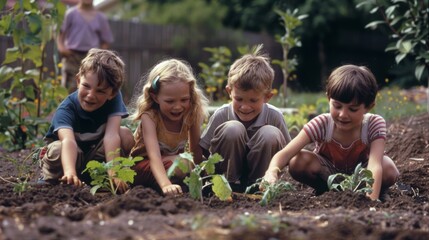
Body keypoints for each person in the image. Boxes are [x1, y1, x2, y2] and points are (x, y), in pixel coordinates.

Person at [263, 64, 400, 201]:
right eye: (337, 106)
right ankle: (325, 191)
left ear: (368, 107)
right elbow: (286, 153)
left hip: (361, 176)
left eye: (352, 109)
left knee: (388, 168)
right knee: (298, 161)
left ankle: (375, 192)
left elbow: (374, 165)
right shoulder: (322, 124)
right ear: (329, 98)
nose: (343, 115)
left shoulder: (373, 124)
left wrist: (370, 201)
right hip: (328, 175)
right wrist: (272, 171)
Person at [38, 48, 135, 193]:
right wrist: (70, 171)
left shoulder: (114, 99)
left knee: (125, 135)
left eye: (100, 91)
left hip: (93, 156)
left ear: (112, 93)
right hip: (69, 156)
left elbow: (111, 135)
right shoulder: (67, 108)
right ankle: (60, 180)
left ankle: (103, 180)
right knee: (57, 149)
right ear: (78, 81)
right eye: (86, 86)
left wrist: (114, 171)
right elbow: (68, 142)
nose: (91, 95)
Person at [200, 44, 292, 192]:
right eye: (239, 99)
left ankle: (259, 187)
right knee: (233, 129)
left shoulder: (274, 116)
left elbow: (289, 153)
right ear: (229, 92)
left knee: (270, 134)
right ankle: (230, 184)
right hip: (223, 182)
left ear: (267, 97)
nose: (245, 106)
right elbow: (203, 149)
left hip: (261, 178)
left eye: (253, 100)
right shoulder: (222, 114)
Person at [129, 59, 209, 196]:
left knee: (192, 163)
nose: (177, 107)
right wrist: (166, 184)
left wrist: (202, 178)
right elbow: (154, 156)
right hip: (142, 168)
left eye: (184, 100)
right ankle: (158, 188)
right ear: (155, 97)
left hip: (170, 165)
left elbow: (195, 150)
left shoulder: (191, 114)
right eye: (170, 101)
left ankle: (178, 186)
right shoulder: (150, 117)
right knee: (182, 163)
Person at [57, 0, 114, 93]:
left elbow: (106, 40)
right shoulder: (71, 14)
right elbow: (61, 34)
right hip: (72, 56)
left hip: (91, 58)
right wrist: (62, 48)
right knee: (68, 89)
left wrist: (99, 56)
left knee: (89, 88)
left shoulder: (100, 17)